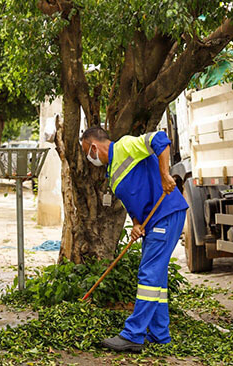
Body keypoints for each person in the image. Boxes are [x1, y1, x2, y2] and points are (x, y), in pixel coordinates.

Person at [81, 126, 189, 352]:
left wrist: (165, 175)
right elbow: (133, 201)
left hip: (166, 213)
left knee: (148, 274)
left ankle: (133, 334)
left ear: (93, 146)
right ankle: (160, 335)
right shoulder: (112, 172)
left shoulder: (125, 146)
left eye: (87, 152)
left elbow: (160, 139)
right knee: (155, 279)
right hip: (153, 221)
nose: (89, 158)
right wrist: (137, 224)